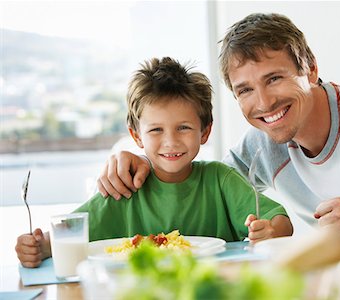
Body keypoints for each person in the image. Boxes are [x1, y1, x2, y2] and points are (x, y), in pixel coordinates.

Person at [97, 13, 340, 229]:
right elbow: (201, 183)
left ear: (310, 69)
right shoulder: (261, 148)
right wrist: (139, 161)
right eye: (245, 90)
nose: (264, 103)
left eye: (274, 78)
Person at [15, 57, 293, 268]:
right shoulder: (124, 188)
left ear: (205, 131)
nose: (170, 142)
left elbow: (280, 222)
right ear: (136, 135)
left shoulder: (221, 180)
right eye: (156, 130)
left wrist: (270, 231)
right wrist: (40, 247)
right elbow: (70, 234)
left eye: (183, 128)